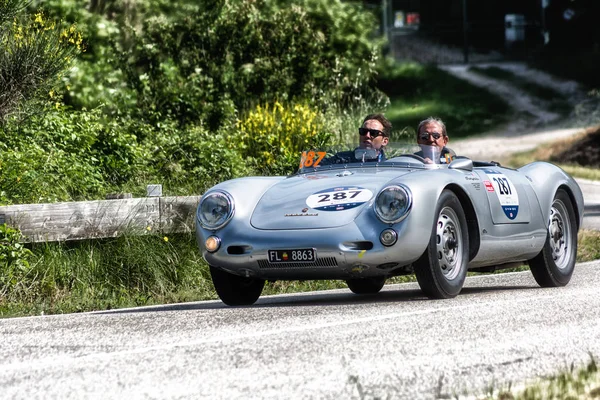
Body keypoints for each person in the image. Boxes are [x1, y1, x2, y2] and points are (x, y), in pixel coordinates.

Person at [321, 114, 391, 165]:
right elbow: (317, 166)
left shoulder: (388, 167)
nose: (367, 136)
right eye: (363, 131)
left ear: (384, 141)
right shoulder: (341, 159)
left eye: (373, 133)